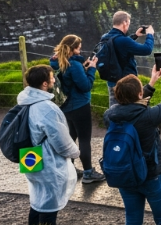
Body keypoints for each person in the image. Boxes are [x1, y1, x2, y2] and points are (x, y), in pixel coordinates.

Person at [103, 63, 161, 225]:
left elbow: (131, 105)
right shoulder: (148, 117)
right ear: (140, 94)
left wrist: (152, 83)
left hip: (126, 175)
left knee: (132, 218)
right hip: (152, 176)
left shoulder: (109, 116)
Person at [17, 65, 80, 225]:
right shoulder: (48, 108)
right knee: (49, 206)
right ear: (44, 84)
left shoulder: (24, 102)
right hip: (47, 161)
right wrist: (76, 152)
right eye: (52, 77)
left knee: (37, 200)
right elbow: (62, 144)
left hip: (29, 156)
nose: (54, 79)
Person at [49, 34, 105, 183]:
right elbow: (85, 86)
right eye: (78, 49)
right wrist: (92, 69)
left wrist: (83, 68)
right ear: (72, 49)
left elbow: (70, 80)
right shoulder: (74, 65)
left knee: (71, 138)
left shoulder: (58, 62)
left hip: (65, 106)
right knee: (84, 139)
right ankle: (88, 173)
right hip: (79, 105)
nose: (80, 51)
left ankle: (69, 169)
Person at [101, 10, 155, 107]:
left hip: (112, 81)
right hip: (126, 84)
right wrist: (150, 35)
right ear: (125, 22)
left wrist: (135, 36)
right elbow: (147, 50)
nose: (128, 26)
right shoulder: (123, 41)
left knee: (114, 110)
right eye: (128, 23)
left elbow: (119, 44)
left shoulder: (105, 37)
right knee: (130, 110)